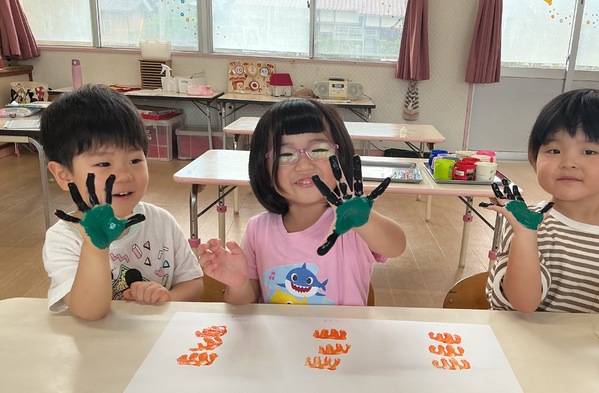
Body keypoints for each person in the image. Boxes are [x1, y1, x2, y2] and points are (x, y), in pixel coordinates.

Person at [197, 98, 406, 305]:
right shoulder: (258, 229)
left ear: (341, 158)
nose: (304, 164)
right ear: (264, 169)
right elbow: (245, 304)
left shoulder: (352, 225)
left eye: (320, 150)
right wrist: (239, 283)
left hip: (343, 329)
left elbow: (396, 246)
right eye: (285, 154)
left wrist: (364, 220)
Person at [41, 84, 203, 320]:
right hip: (97, 340)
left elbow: (194, 283)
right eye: (104, 164)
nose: (125, 175)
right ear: (64, 175)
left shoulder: (161, 221)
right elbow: (89, 312)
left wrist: (167, 297)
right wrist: (95, 246)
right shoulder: (65, 239)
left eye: (135, 160)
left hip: (154, 336)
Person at [484, 88, 599, 313]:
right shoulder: (527, 223)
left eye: (589, 152)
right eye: (554, 150)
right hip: (520, 336)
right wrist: (525, 233)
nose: (568, 162)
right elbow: (523, 304)